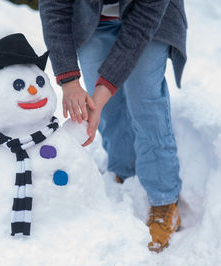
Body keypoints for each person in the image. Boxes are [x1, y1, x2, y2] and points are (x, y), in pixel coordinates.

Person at [39, 0, 187, 252]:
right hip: (91, 21)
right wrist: (69, 81)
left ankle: (164, 199)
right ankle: (124, 173)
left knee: (145, 101)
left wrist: (101, 92)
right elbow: (54, 8)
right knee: (110, 110)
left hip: (148, 21)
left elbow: (140, 27)